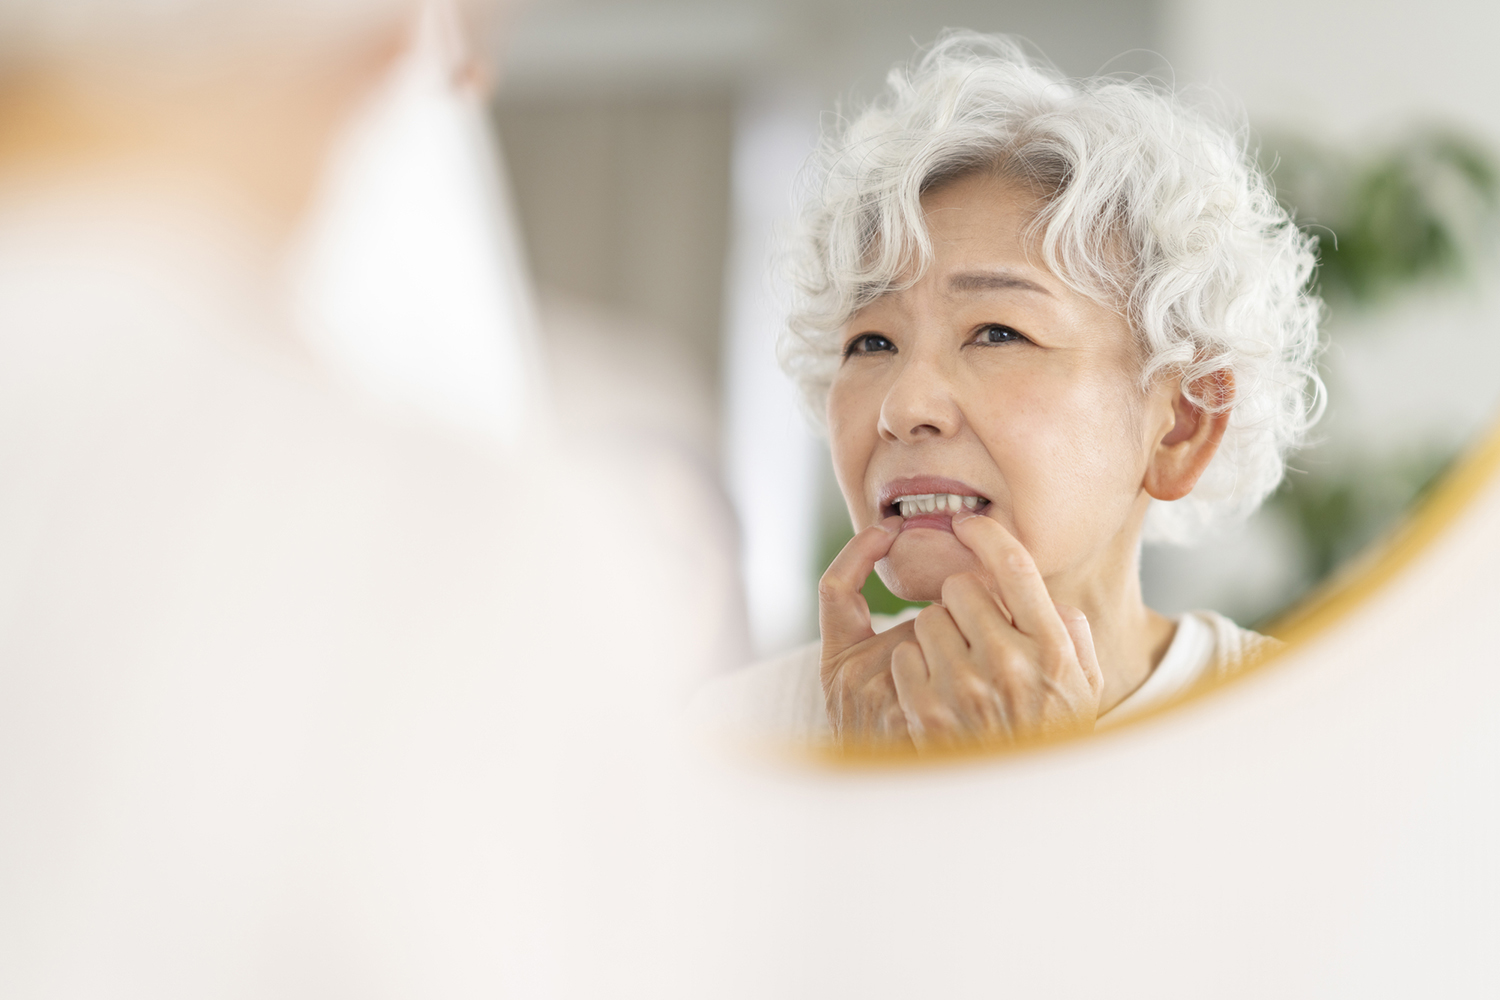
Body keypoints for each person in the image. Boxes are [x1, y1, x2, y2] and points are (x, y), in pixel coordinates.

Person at [699, 32, 1324, 751]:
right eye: (872, 342)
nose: (903, 409)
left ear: (1181, 423)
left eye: (997, 333)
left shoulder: (1314, 737)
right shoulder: (731, 737)